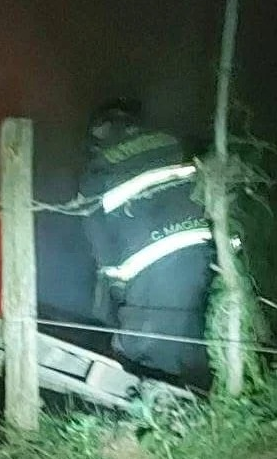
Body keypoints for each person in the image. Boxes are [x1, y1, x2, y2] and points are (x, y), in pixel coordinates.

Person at [79, 98, 214, 390]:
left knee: (146, 344)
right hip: (200, 252)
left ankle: (158, 396)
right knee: (191, 331)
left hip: (149, 267)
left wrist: (114, 286)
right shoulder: (172, 143)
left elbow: (100, 245)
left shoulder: (99, 170)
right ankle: (201, 392)